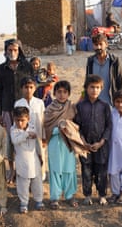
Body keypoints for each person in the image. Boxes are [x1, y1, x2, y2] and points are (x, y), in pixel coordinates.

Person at [0, 38, 33, 184]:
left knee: (25, 139)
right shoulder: (0, 69)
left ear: (19, 51)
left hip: (23, 109)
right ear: (5, 51)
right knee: (10, 142)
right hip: (7, 109)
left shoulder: (27, 67)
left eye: (15, 50)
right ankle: (12, 170)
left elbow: (31, 87)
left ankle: (25, 170)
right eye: (9, 50)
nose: (12, 53)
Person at [74, 74, 112, 206]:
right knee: (86, 170)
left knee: (101, 171)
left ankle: (102, 195)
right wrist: (83, 141)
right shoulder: (80, 106)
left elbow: (109, 126)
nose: (94, 90)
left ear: (101, 89)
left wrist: (101, 142)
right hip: (85, 145)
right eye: (91, 87)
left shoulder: (105, 106)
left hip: (101, 145)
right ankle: (87, 195)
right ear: (86, 88)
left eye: (97, 87)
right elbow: (76, 126)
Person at [43, 80, 79, 209]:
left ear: (68, 93)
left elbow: (77, 126)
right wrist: (58, 129)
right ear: (54, 93)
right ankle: (55, 197)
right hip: (55, 142)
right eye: (59, 92)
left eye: (65, 92)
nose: (62, 95)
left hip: (68, 144)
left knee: (69, 170)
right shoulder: (49, 109)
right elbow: (46, 128)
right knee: (55, 170)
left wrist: (68, 127)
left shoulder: (72, 108)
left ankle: (69, 195)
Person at [10, 106, 45, 214]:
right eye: (17, 120)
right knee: (23, 185)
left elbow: (38, 143)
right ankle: (24, 203)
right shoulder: (13, 130)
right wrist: (26, 134)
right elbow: (15, 141)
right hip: (22, 162)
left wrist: (40, 155)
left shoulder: (33, 127)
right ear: (13, 119)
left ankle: (39, 201)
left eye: (22, 120)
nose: (20, 123)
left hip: (34, 161)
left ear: (28, 118)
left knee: (37, 183)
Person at [14, 77, 47, 181]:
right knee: (26, 157)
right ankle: (26, 177)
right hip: (24, 136)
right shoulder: (18, 103)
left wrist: (44, 137)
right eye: (26, 87)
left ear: (34, 89)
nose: (28, 90)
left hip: (38, 135)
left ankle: (40, 178)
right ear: (21, 89)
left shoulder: (39, 103)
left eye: (31, 87)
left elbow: (43, 120)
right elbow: (16, 122)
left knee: (40, 155)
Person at [85, 33, 122, 106]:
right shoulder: (90, 61)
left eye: (100, 44)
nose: (98, 47)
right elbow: (86, 84)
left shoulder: (114, 61)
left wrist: (120, 103)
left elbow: (119, 83)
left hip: (110, 105)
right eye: (96, 45)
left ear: (106, 44)